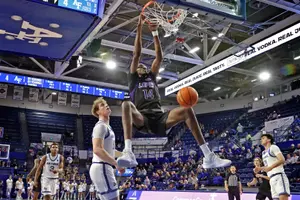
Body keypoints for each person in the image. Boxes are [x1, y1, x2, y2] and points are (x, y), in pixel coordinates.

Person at [116, 15, 231, 169]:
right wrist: (138, 28)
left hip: (159, 116)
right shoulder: (133, 80)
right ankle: (128, 151)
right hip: (142, 118)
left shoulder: (151, 76)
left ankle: (208, 156)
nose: (141, 65)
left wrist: (155, 33)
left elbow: (159, 57)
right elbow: (137, 54)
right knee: (126, 104)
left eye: (143, 65)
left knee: (187, 110)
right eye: (139, 65)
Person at [89, 97, 125, 200]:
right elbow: (97, 149)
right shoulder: (100, 126)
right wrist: (116, 164)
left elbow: (110, 151)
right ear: (97, 111)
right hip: (102, 167)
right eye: (102, 105)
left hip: (103, 167)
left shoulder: (107, 127)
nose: (106, 105)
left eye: (106, 104)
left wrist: (124, 155)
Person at [254, 134, 290, 200]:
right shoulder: (263, 153)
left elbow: (282, 159)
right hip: (271, 179)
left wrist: (270, 168)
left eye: (263, 138)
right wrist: (260, 168)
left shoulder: (273, 147)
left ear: (269, 140)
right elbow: (268, 166)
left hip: (279, 176)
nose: (261, 140)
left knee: (283, 198)